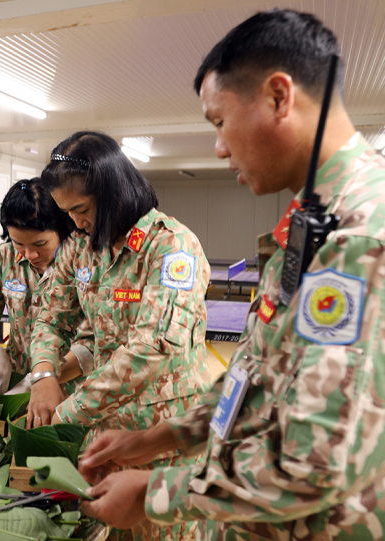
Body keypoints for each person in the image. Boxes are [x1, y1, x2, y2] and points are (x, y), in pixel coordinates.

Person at [78, 9, 385, 540]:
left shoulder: (356, 239)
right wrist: (161, 436)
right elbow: (262, 376)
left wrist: (155, 493)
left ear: (279, 97)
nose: (219, 147)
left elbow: (312, 465)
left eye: (220, 122)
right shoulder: (315, 221)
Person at [30, 131, 212, 541]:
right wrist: (44, 375)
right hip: (105, 443)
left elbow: (151, 350)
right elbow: (49, 317)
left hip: (164, 443)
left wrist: (69, 411)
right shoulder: (81, 248)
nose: (75, 221)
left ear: (113, 190)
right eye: (67, 212)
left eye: (81, 208)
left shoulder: (171, 247)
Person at [0, 178, 93, 395]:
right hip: (16, 383)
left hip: (70, 392)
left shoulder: (84, 262)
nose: (30, 255)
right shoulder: (4, 257)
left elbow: (93, 343)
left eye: (40, 244)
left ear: (60, 229)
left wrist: (41, 379)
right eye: (18, 243)